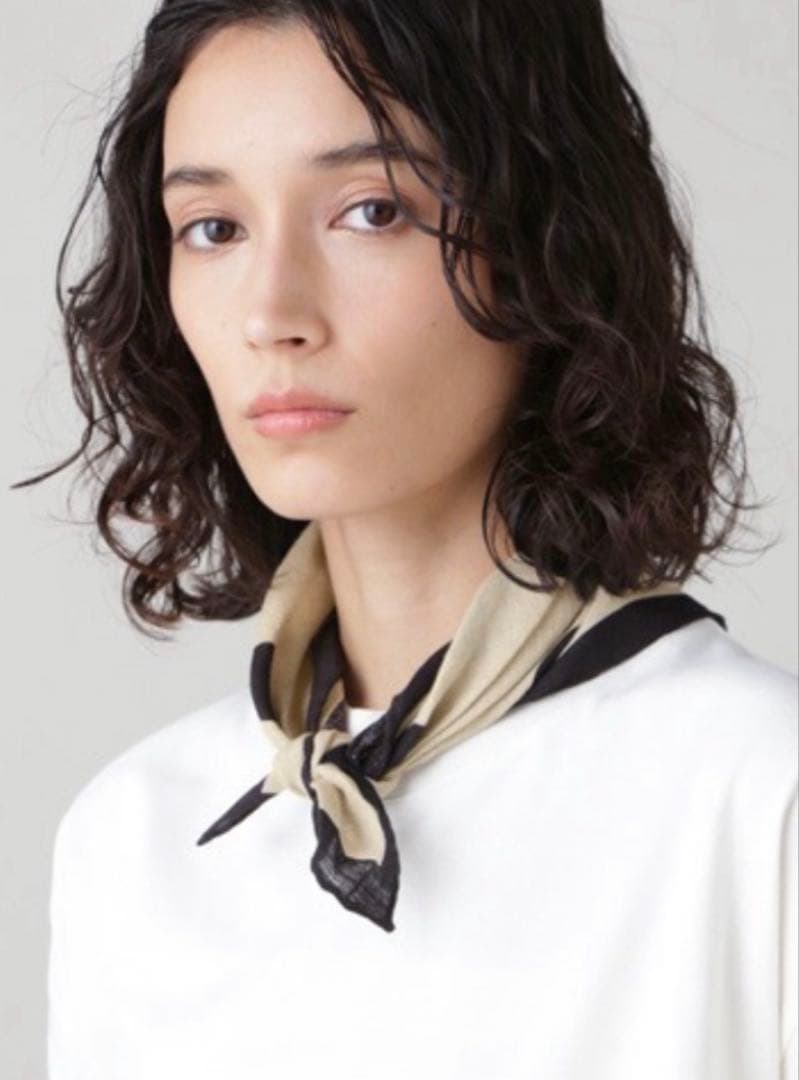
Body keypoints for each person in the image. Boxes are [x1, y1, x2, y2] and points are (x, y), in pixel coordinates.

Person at [15, 1, 795, 1077]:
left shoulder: (757, 791)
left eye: (371, 210)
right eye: (214, 228)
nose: (271, 314)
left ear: (545, 238)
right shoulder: (133, 839)